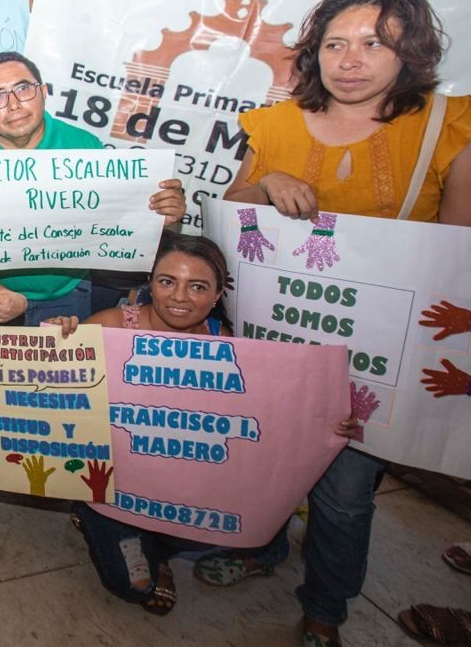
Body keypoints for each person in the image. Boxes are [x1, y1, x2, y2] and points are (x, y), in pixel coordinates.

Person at [219, 0, 471, 647]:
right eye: (335, 43)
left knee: (343, 494)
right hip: (275, 343)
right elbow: (227, 212)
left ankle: (325, 607)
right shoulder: (274, 122)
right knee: (268, 459)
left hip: (376, 360)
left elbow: (468, 260)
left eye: (374, 43)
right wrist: (264, 184)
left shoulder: (449, 127)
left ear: (411, 49)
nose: (350, 59)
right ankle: (261, 548)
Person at [60, 235, 317, 616]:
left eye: (197, 286)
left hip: (182, 487)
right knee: (134, 586)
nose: (179, 297)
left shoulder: (226, 342)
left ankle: (158, 548)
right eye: (167, 282)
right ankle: (96, 516)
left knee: (208, 529)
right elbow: (58, 391)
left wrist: (325, 418)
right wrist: (60, 339)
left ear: (217, 296)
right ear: (150, 283)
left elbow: (263, 415)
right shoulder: (111, 325)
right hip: (114, 484)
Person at [0, 51, 186, 325]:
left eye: (23, 88)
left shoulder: (85, 146)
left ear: (43, 92)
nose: (13, 104)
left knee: (54, 369)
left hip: (67, 293)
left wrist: (157, 214)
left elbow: (114, 217)